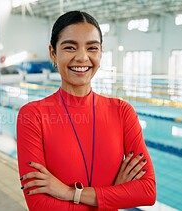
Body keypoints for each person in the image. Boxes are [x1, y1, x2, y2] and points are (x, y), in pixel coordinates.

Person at [17, 11, 156, 210]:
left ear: (100, 53)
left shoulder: (122, 111)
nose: (82, 57)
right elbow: (39, 205)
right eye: (70, 47)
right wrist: (114, 194)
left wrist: (69, 193)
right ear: (53, 53)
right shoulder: (33, 115)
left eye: (92, 48)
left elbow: (147, 191)